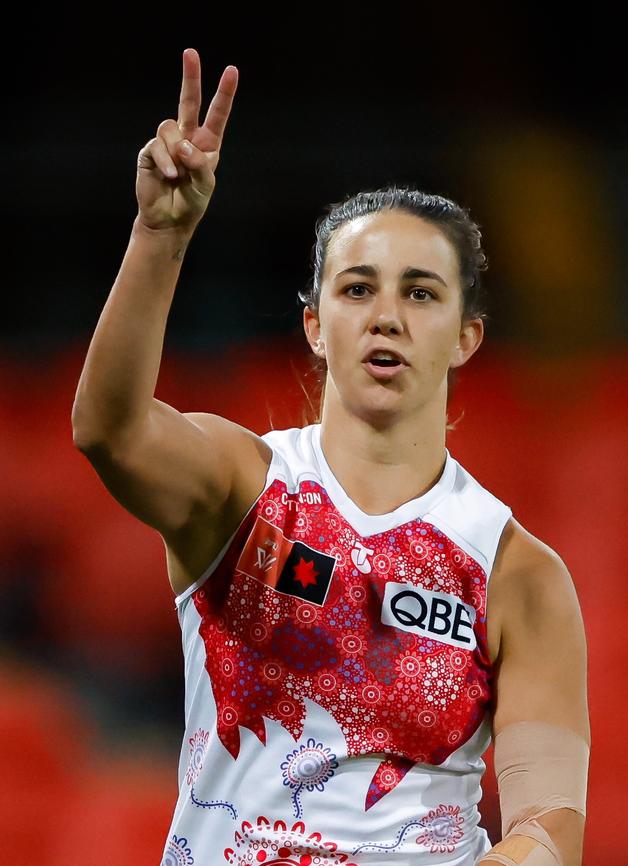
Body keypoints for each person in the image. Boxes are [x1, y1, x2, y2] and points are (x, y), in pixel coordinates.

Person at [71, 48, 590, 866]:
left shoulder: (519, 574)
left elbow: (550, 824)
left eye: (420, 293)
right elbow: (109, 431)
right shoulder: (241, 489)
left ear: (465, 337)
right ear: (316, 326)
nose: (387, 315)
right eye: (357, 289)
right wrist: (159, 235)